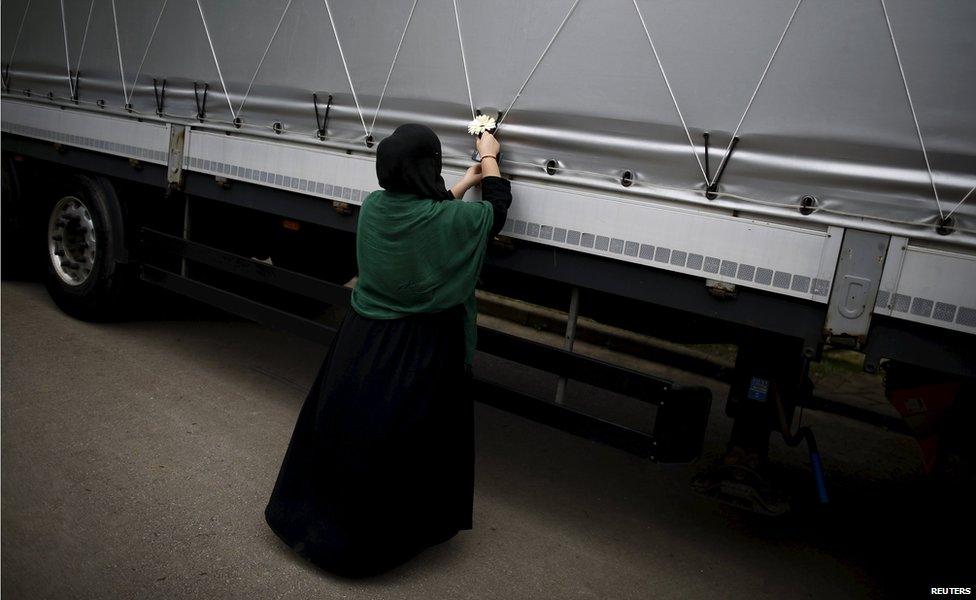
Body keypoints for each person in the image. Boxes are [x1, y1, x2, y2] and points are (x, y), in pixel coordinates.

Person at [264, 124, 511, 577]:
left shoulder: (375, 207)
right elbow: (494, 212)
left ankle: (309, 522)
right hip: (418, 347)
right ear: (427, 168)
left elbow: (428, 216)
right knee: (402, 444)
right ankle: (369, 546)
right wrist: (490, 158)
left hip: (361, 340)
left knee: (348, 430)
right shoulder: (452, 221)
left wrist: (464, 181)